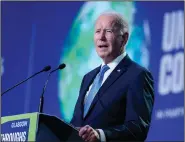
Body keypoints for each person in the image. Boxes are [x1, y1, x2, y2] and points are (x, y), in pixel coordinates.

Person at [70, 11, 154, 142]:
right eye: (98, 31)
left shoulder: (137, 75)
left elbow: (138, 128)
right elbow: (76, 123)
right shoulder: (88, 78)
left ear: (124, 38)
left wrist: (101, 135)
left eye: (108, 31)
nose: (101, 37)